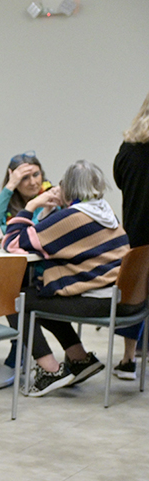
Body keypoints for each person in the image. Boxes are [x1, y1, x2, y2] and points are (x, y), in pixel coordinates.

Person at [3, 160, 129, 395]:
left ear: (68, 188)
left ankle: (49, 371)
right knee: (45, 292)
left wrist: (32, 205)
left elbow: (11, 243)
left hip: (102, 302)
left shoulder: (73, 217)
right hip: (120, 299)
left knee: (16, 298)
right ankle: (80, 360)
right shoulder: (105, 212)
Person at [113, 92, 149, 379]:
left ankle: (127, 360)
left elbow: (120, 181)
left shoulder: (128, 148)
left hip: (135, 238)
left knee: (133, 298)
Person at [0, 151, 51, 226]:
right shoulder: (7, 204)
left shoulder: (51, 197)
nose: (33, 182)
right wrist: (10, 185)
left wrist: (5, 229)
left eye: (36, 174)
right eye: (25, 178)